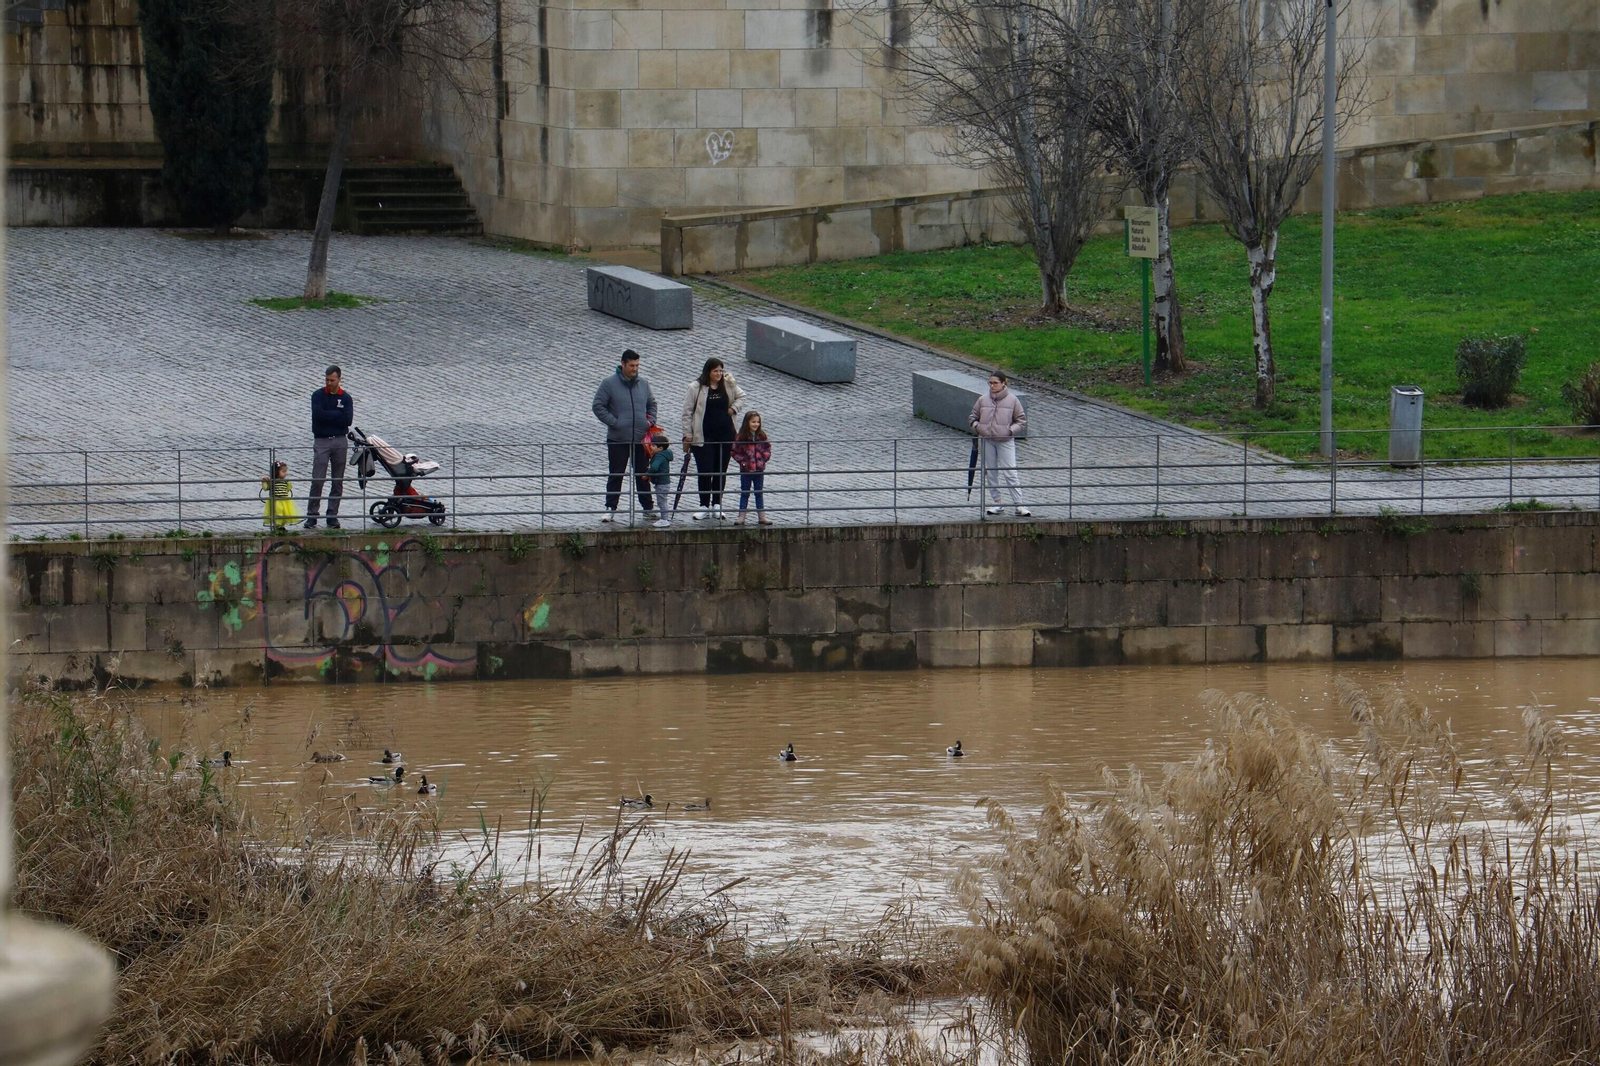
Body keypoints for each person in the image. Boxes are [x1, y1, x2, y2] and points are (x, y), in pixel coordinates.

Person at [591, 349, 659, 523]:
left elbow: (652, 404)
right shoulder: (608, 383)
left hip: (640, 438)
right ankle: (610, 508)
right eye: (631, 366)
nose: (635, 369)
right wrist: (614, 422)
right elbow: (598, 406)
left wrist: (649, 422)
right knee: (616, 473)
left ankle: (647, 508)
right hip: (618, 438)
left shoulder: (643, 383)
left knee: (643, 474)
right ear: (623, 364)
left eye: (637, 365)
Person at [680, 357, 744, 521]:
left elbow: (741, 396)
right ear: (708, 371)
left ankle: (717, 504)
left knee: (720, 470)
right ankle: (704, 505)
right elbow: (687, 412)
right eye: (716, 371)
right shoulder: (696, 387)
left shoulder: (728, 384)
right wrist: (687, 433)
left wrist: (733, 409)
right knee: (705, 471)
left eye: (721, 371)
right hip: (703, 436)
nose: (719, 374)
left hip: (725, 435)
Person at [969, 369, 1031, 518]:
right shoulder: (983, 399)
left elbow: (1021, 420)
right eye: (990, 383)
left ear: (1004, 383)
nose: (992, 386)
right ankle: (997, 502)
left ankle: (1019, 504)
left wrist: (1010, 431)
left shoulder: (1013, 400)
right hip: (987, 440)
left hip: (1005, 441)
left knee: (1010, 472)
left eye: (995, 383)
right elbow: (973, 416)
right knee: (990, 471)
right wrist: (978, 426)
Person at [306, 365, 353, 529]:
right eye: (327, 380)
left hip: (340, 440)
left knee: (337, 480)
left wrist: (329, 415)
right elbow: (318, 416)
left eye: (332, 380)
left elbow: (347, 420)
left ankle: (332, 515)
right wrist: (336, 415)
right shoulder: (317, 395)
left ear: (340, 379)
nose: (329, 383)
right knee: (318, 479)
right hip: (322, 440)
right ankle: (312, 515)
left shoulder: (346, 398)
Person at [732, 411, 773, 525]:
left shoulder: (762, 436)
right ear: (747, 422)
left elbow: (768, 449)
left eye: (758, 422)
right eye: (753, 422)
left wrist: (763, 459)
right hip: (746, 469)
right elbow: (735, 451)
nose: (756, 424)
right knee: (745, 492)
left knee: (758, 492)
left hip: (759, 469)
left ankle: (762, 516)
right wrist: (743, 462)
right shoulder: (741, 437)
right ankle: (741, 516)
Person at [644, 431, 675, 530]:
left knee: (662, 501)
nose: (651, 447)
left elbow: (654, 468)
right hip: (664, 482)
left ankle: (664, 519)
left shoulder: (659, 456)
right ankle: (664, 518)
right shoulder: (665, 455)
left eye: (653, 446)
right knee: (662, 500)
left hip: (661, 482)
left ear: (660, 448)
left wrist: (647, 474)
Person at [261, 460, 301, 532]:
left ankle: (282, 525)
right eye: (283, 472)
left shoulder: (285, 481)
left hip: (285, 500)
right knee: (278, 512)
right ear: (276, 472)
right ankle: (278, 526)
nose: (285, 474)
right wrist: (264, 482)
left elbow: (289, 488)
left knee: (284, 513)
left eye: (285, 472)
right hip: (276, 501)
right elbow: (266, 488)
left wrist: (288, 483)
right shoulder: (272, 481)